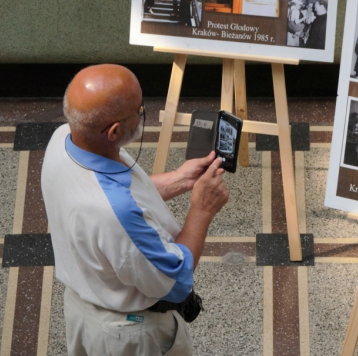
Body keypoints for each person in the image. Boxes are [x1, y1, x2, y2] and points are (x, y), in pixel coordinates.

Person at [41, 65, 229, 356]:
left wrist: (179, 180)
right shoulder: (114, 213)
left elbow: (117, 191)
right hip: (127, 336)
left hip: (82, 309)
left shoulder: (64, 138)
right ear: (115, 132)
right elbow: (175, 282)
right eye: (139, 111)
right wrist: (202, 209)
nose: (143, 114)